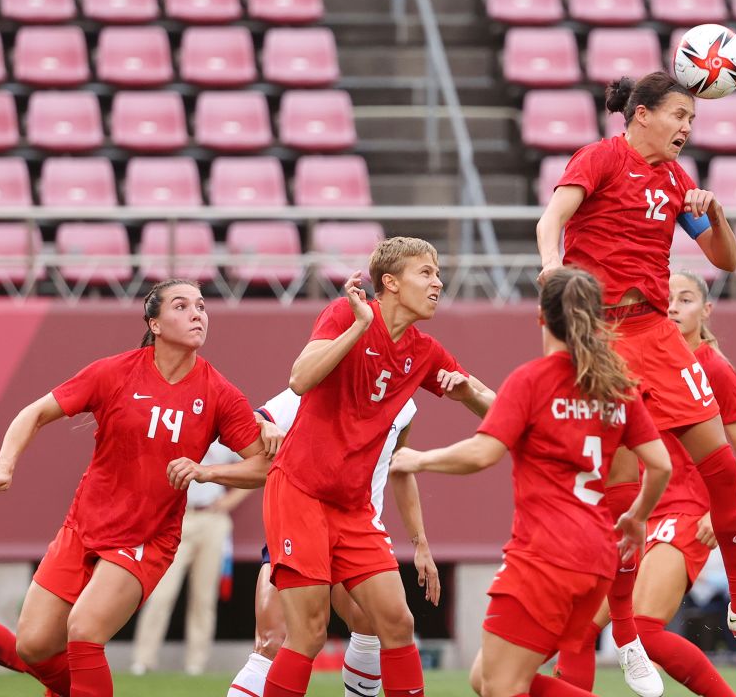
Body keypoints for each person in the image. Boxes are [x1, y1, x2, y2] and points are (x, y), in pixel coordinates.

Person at [536, 71, 736, 638]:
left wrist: (714, 213)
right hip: (600, 337)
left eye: (691, 119)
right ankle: (620, 628)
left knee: (721, 465)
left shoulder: (676, 178)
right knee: (611, 484)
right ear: (643, 114)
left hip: (655, 332)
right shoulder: (599, 158)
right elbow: (551, 220)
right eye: (679, 116)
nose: (687, 127)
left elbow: (726, 260)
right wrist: (550, 267)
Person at [0, 279, 271, 697]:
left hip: (148, 538)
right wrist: (3, 466)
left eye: (202, 306)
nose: (197, 314)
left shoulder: (219, 392)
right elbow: (34, 413)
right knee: (35, 644)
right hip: (84, 525)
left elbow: (264, 466)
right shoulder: (114, 371)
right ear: (154, 323)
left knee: (83, 629)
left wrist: (207, 474)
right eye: (182, 306)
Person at [391, 267, 672, 697]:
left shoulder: (532, 380)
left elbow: (483, 452)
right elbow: (661, 466)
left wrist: (419, 458)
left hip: (545, 558)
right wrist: (637, 518)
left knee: (501, 687)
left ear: (542, 318)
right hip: (597, 562)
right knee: (485, 679)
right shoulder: (616, 387)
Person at [260, 237, 493, 697]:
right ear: (390, 282)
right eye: (425, 273)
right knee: (306, 633)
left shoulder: (425, 350)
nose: (437, 283)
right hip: (300, 492)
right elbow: (299, 379)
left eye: (438, 274)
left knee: (397, 622)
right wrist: (358, 327)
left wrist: (468, 392)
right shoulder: (348, 313)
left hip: (353, 506)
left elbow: (502, 412)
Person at [554, 270, 736, 697]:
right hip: (640, 508)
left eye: (685, 299)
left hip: (686, 511)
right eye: (665, 298)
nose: (672, 306)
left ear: (707, 310)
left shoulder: (714, 368)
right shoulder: (634, 359)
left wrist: (715, 512)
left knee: (644, 628)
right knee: (576, 630)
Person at [227, 389, 440, 697]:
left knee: (387, 627)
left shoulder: (404, 403)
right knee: (277, 641)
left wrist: (420, 542)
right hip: (301, 525)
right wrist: (262, 425)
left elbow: (400, 463)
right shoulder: (325, 379)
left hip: (358, 533)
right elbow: (256, 422)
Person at [131, 438, 253, 676]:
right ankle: (143, 659)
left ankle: (196, 663)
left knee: (204, 596)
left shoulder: (225, 437)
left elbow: (257, 466)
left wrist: (230, 500)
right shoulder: (180, 429)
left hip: (212, 518)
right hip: (178, 517)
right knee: (162, 592)